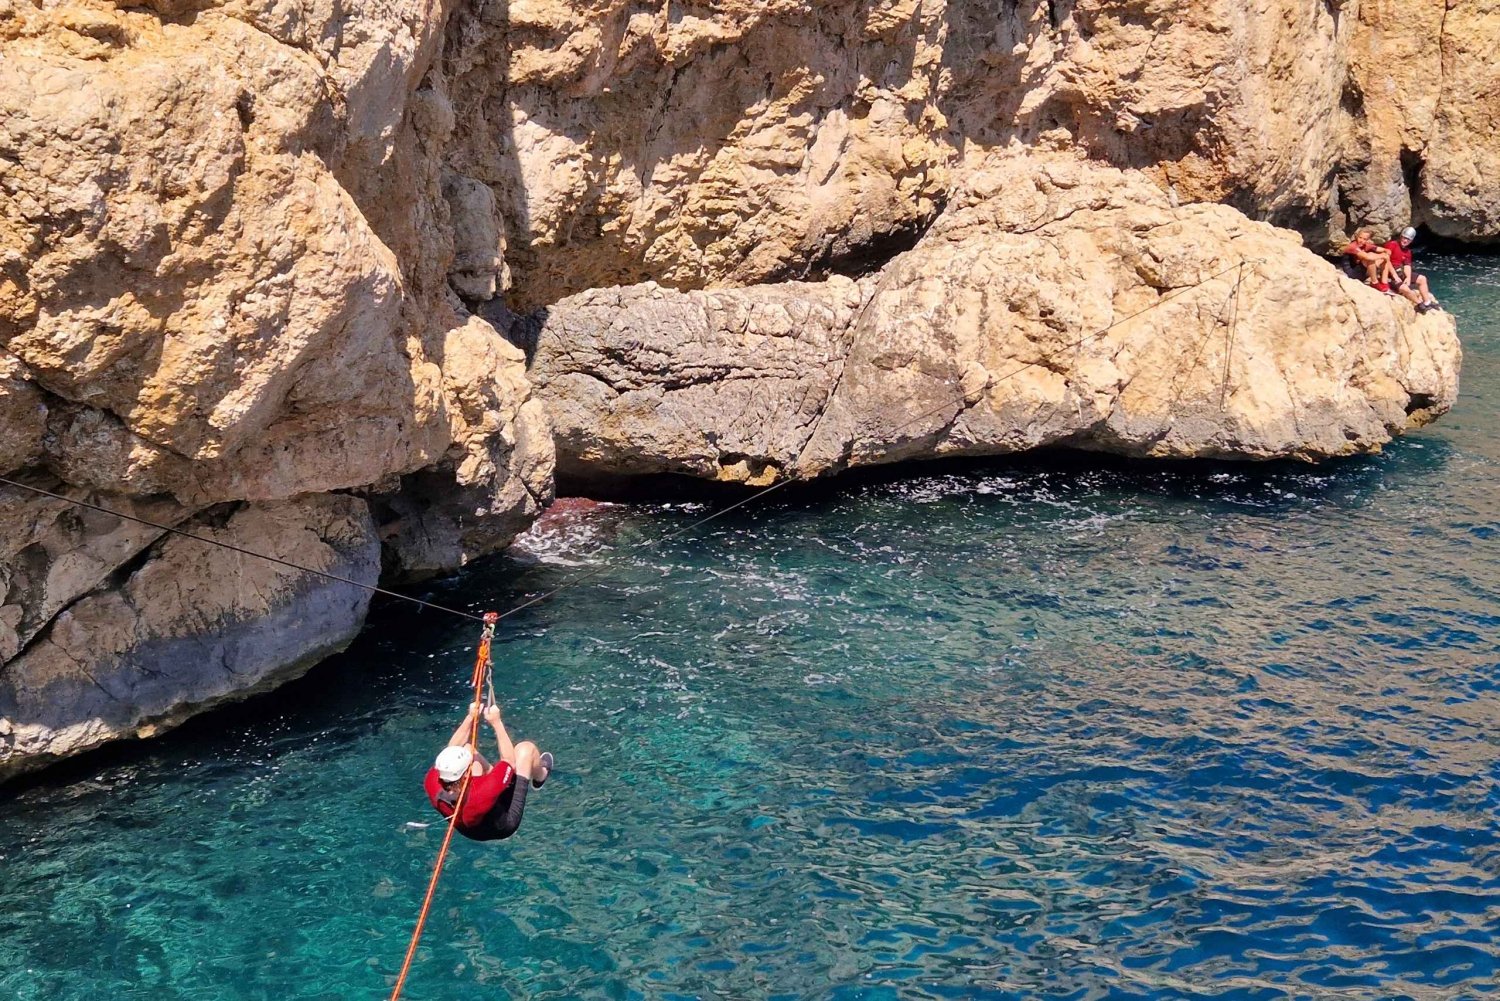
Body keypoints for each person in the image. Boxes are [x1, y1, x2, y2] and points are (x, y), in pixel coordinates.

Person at [424, 701, 553, 841]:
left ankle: (497, 774)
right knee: (525, 750)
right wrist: (496, 722)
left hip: (470, 826)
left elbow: (453, 748)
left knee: (468, 749)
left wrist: (471, 717)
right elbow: (509, 761)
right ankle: (541, 776)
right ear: (466, 774)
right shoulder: (483, 792)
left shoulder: (431, 781)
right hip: (501, 825)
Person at [1384, 227, 1441, 313]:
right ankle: (1419, 304)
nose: (1406, 241)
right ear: (1401, 236)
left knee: (1422, 279)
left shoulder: (1407, 251)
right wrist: (1395, 276)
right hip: (1390, 273)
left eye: (1408, 239)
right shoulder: (1392, 245)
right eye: (1404, 238)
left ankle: (1427, 302)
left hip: (1400, 271)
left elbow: (1407, 265)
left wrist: (1408, 277)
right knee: (1405, 289)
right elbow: (1386, 260)